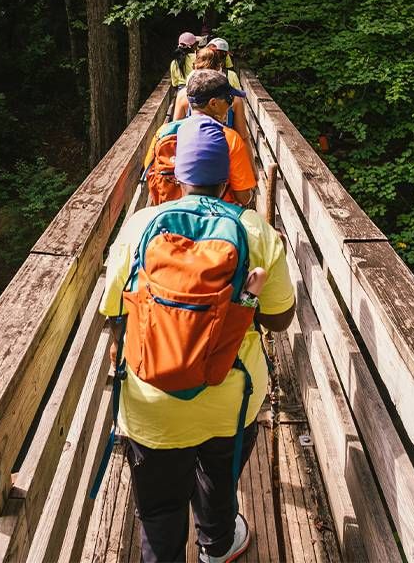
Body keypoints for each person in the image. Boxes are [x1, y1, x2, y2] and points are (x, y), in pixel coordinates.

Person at [99, 115, 296, 563]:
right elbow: (281, 320)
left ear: (177, 172)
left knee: (160, 506)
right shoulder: (256, 231)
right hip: (232, 394)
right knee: (219, 475)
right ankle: (217, 545)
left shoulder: (138, 227)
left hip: (151, 398)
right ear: (227, 173)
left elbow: (112, 311)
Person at [143, 69, 256, 207]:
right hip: (218, 219)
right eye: (228, 99)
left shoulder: (164, 132)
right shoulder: (229, 138)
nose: (231, 104)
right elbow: (243, 197)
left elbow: (149, 172)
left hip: (173, 217)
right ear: (213, 103)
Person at [172, 47, 249, 146]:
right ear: (219, 67)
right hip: (227, 152)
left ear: (195, 68)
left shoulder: (183, 95)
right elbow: (244, 137)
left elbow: (175, 134)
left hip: (193, 152)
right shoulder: (234, 98)